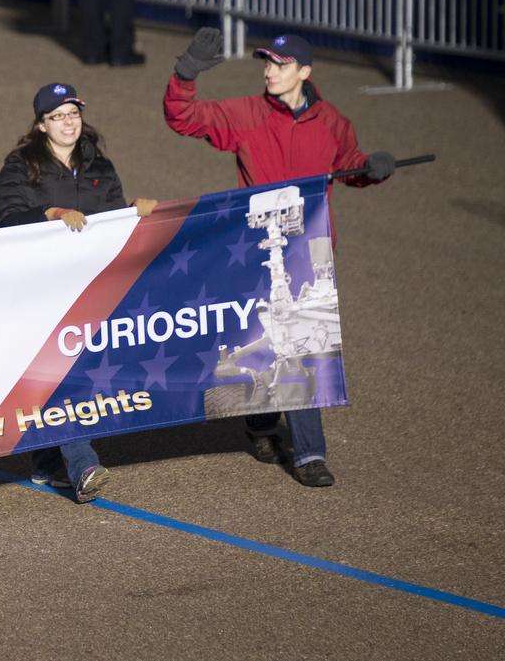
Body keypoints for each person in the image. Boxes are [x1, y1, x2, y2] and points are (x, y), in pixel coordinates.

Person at [163, 28, 396, 487]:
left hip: (310, 251)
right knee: (263, 337)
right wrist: (185, 72)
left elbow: (350, 163)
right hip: (256, 246)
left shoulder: (333, 121)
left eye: (280, 64)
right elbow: (182, 117)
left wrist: (373, 168)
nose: (269, 71)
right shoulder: (247, 113)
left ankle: (308, 454)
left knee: (301, 344)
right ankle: (261, 423)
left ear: (304, 73)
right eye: (267, 63)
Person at [0, 82, 156, 502]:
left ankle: (46, 460)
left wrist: (135, 212)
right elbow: (8, 222)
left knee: (68, 374)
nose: (68, 123)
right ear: (40, 125)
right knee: (63, 375)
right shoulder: (20, 167)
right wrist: (50, 213)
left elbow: (112, 221)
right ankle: (83, 464)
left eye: (73, 114)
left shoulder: (98, 164)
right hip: (42, 288)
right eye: (58, 116)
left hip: (88, 287)